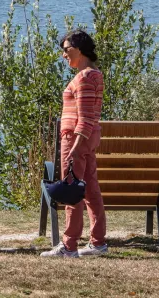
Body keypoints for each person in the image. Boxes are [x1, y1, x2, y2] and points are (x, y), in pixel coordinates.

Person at [41, 30, 107, 258]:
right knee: (90, 189)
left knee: (72, 191)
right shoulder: (93, 74)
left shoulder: (86, 77)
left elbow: (86, 117)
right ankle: (97, 243)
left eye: (66, 50)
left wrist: (76, 147)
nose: (63, 55)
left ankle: (69, 246)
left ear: (79, 49)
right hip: (86, 138)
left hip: (76, 138)